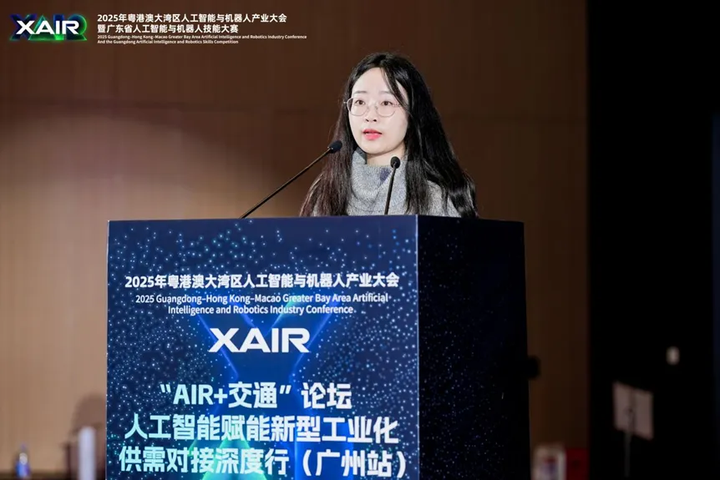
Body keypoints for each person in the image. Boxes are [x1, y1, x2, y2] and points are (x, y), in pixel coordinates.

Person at [299, 51, 479, 218]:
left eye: (386, 103)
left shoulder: (436, 199)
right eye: (360, 102)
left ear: (413, 114)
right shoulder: (325, 192)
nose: (370, 116)